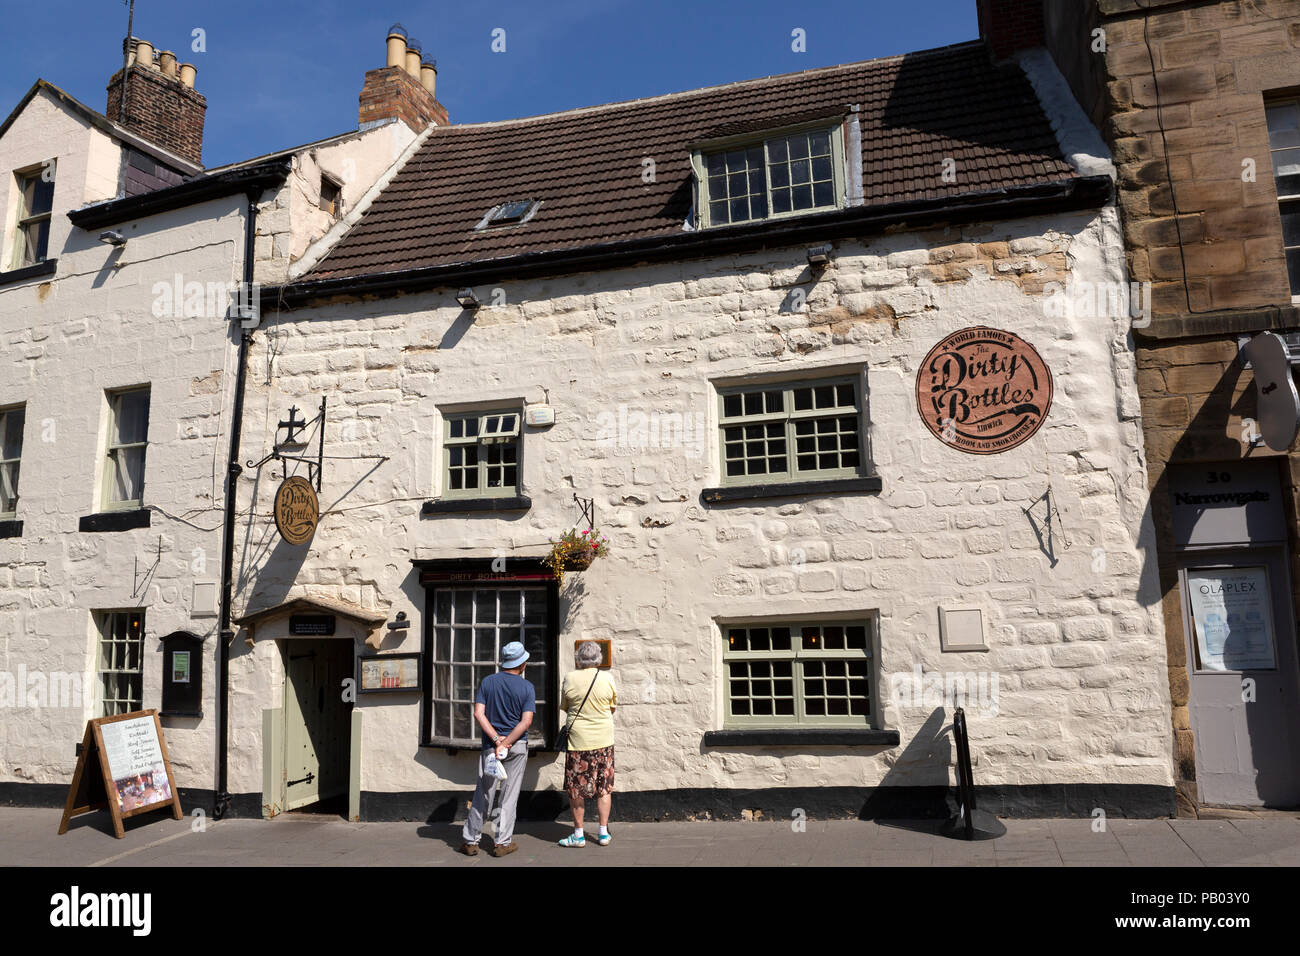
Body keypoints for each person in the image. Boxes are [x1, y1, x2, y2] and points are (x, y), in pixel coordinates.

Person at [459, 641, 535, 858]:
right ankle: (502, 843)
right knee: (509, 796)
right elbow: (526, 721)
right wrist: (508, 741)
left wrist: (496, 739)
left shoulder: (488, 682)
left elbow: (478, 713)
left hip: (490, 748)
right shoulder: (527, 687)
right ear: (522, 664)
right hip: (517, 745)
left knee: (483, 794)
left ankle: (471, 841)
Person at [557, 641, 617, 847]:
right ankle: (602, 833)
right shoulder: (607, 678)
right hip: (604, 741)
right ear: (598, 659)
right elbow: (612, 708)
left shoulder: (570, 678)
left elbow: (565, 707)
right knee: (604, 788)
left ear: (578, 658)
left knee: (576, 790)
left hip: (578, 742)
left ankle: (579, 835)